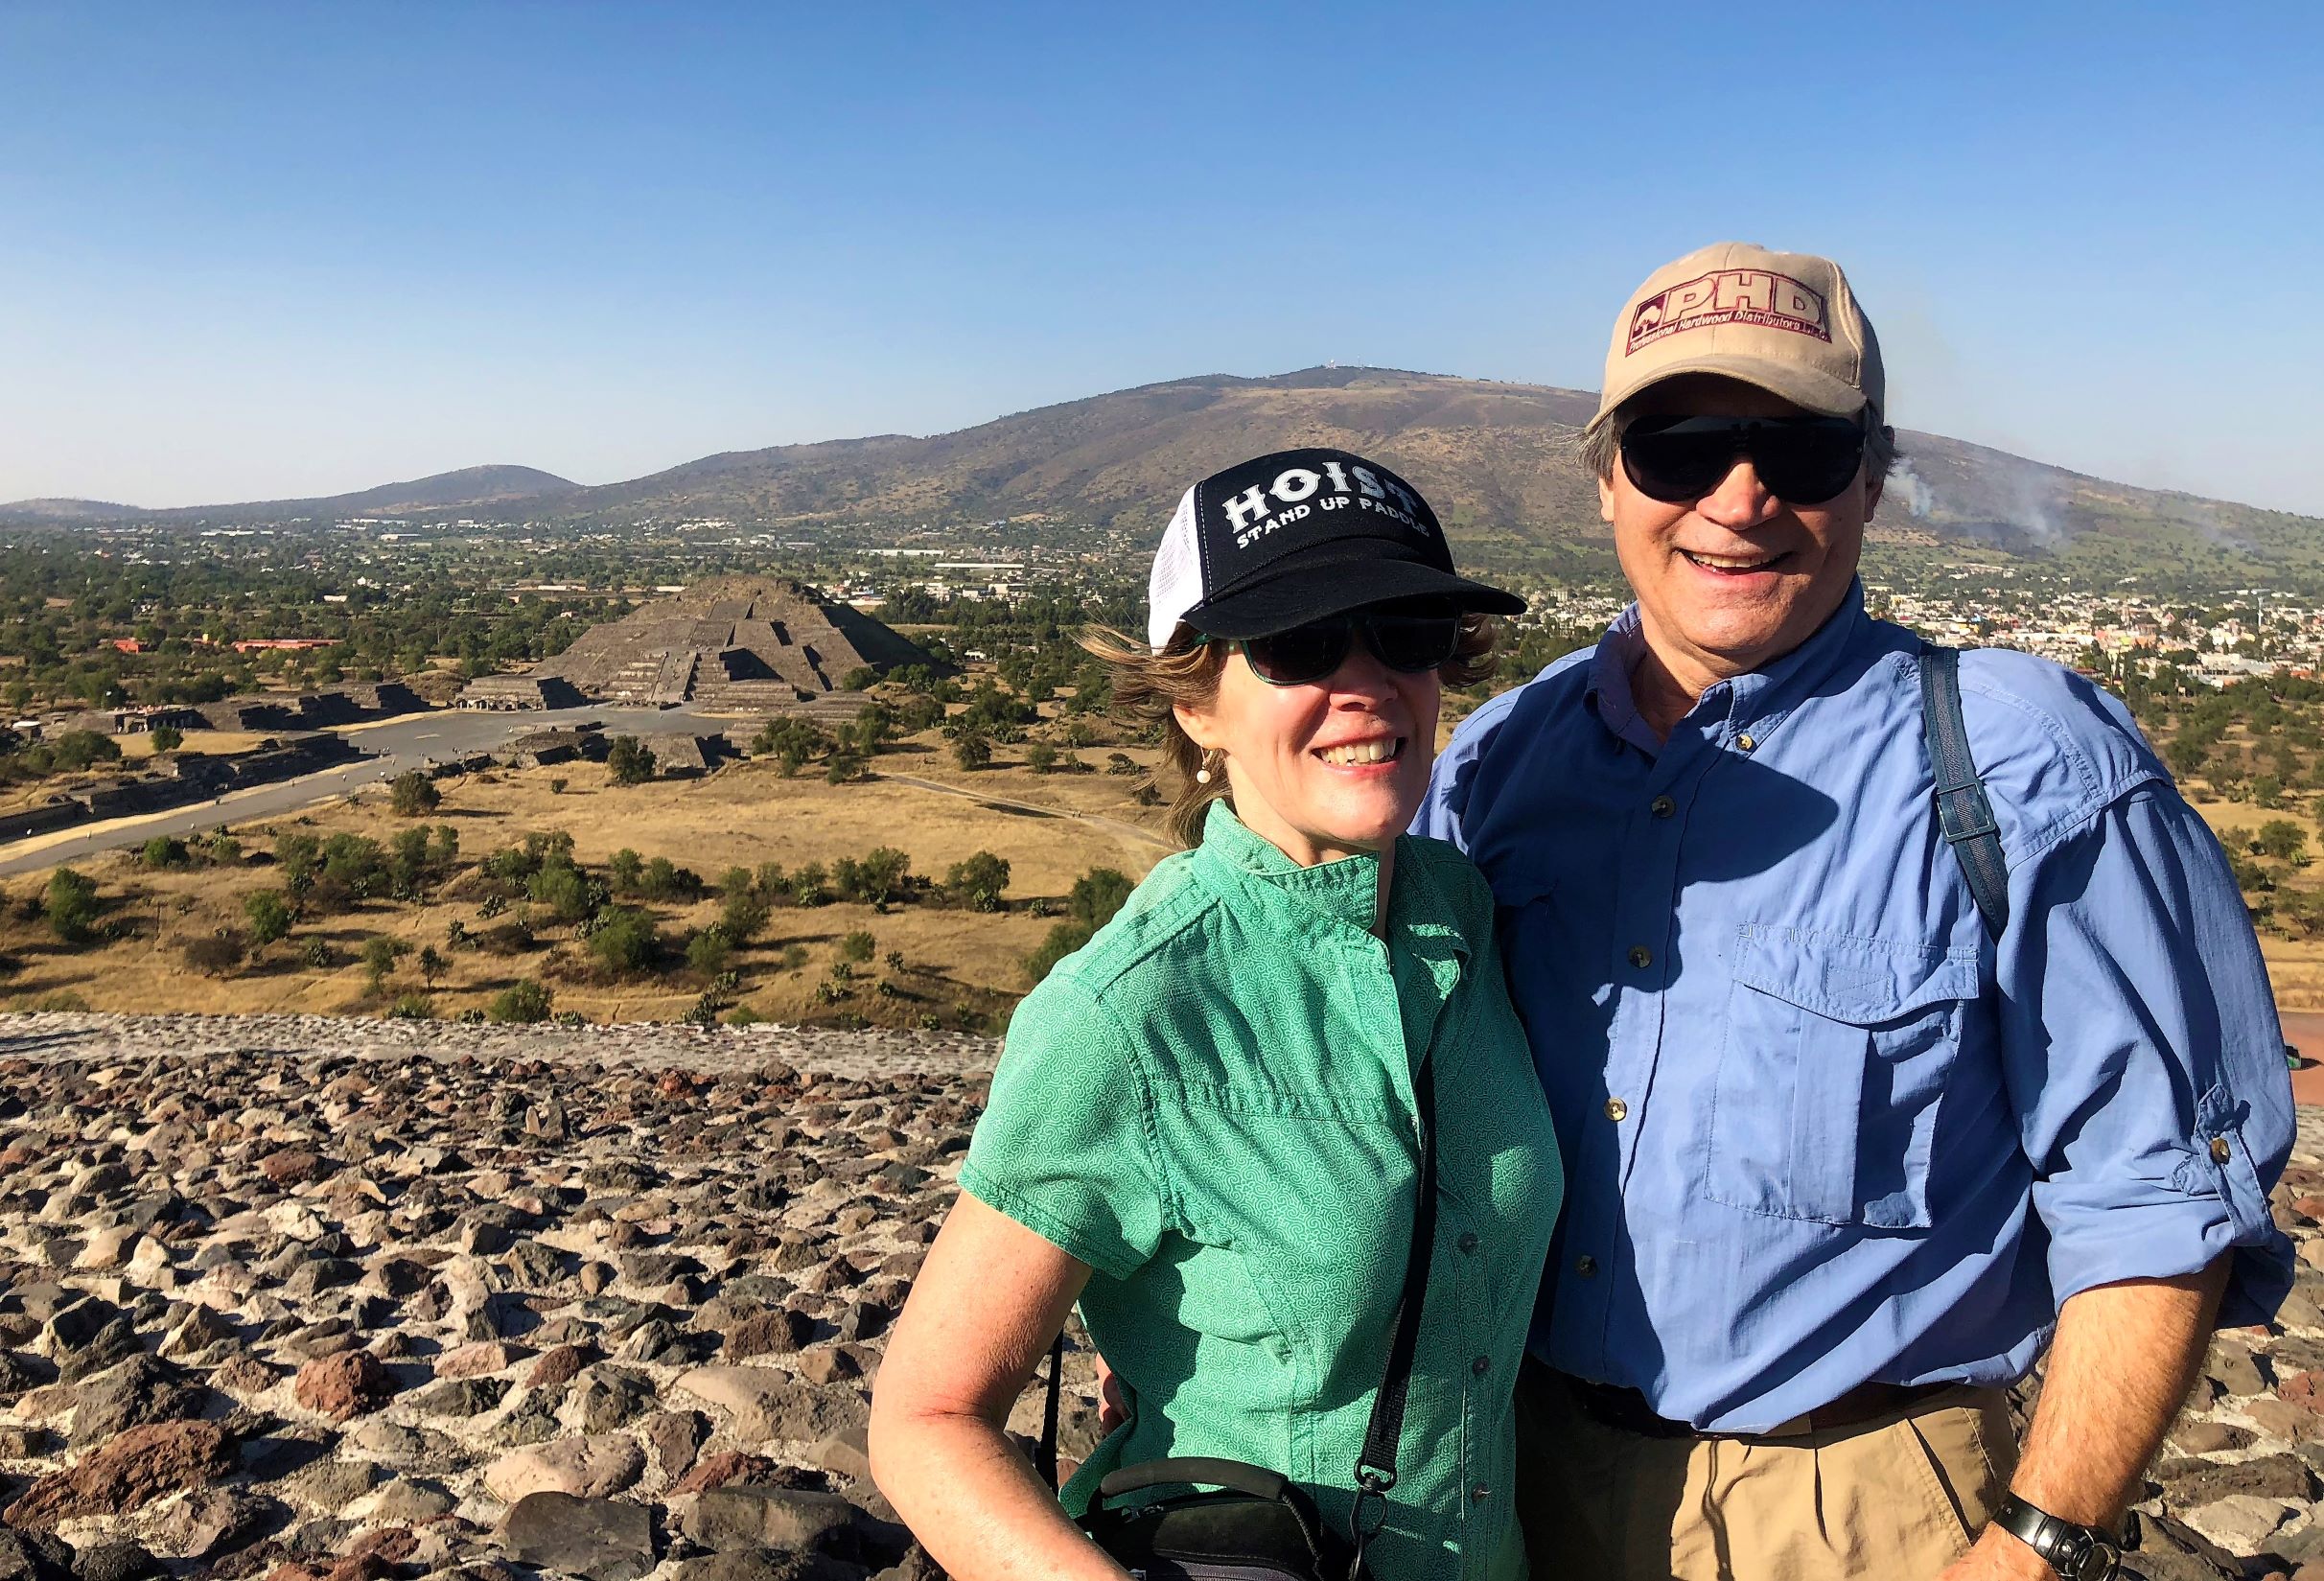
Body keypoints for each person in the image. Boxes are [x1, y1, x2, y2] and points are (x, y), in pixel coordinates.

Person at [1419, 241, 2295, 1581]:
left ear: (1874, 477)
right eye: (1678, 447)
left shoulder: (2026, 766)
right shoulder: (1496, 770)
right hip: (1507, 1483)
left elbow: (2162, 1198)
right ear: (1605, 476)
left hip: (1862, 1509)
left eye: (1803, 450)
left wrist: (2033, 1544)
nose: (1741, 496)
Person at [870, 448, 1564, 1581]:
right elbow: (926, 1419)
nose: (1367, 683)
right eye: (1298, 644)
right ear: (1197, 703)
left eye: (1407, 633)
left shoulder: (1470, 922)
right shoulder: (1128, 1015)